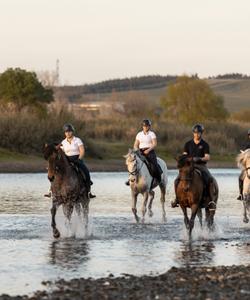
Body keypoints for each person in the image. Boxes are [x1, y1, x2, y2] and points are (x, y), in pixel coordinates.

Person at [171, 124, 212, 207]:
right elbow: (184, 155)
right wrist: (184, 159)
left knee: (209, 179)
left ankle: (210, 200)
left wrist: (199, 159)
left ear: (201, 133)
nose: (197, 134)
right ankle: (177, 199)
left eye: (199, 133)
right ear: (193, 133)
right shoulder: (188, 144)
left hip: (201, 166)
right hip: (189, 166)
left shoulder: (205, 144)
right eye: (195, 133)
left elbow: (207, 157)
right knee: (177, 180)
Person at [61, 123, 96, 198]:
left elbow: (82, 151)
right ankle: (51, 191)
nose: (68, 133)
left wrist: (79, 159)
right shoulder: (63, 142)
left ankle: (89, 191)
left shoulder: (77, 140)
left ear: (72, 132)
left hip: (77, 158)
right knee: (56, 171)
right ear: (64, 133)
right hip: (67, 160)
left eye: (69, 131)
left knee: (85, 170)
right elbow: (62, 153)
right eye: (66, 132)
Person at [125, 119, 162, 186]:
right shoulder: (139, 134)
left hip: (150, 151)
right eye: (144, 126)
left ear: (149, 126)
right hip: (140, 151)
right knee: (132, 164)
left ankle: (158, 178)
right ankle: (130, 179)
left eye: (147, 126)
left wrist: (148, 150)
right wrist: (137, 150)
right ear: (142, 126)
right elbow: (135, 145)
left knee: (154, 165)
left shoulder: (152, 134)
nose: (146, 127)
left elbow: (154, 144)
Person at [237, 129, 250, 200]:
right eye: (249, 135)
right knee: (240, 177)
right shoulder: (247, 145)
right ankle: (241, 194)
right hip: (248, 166)